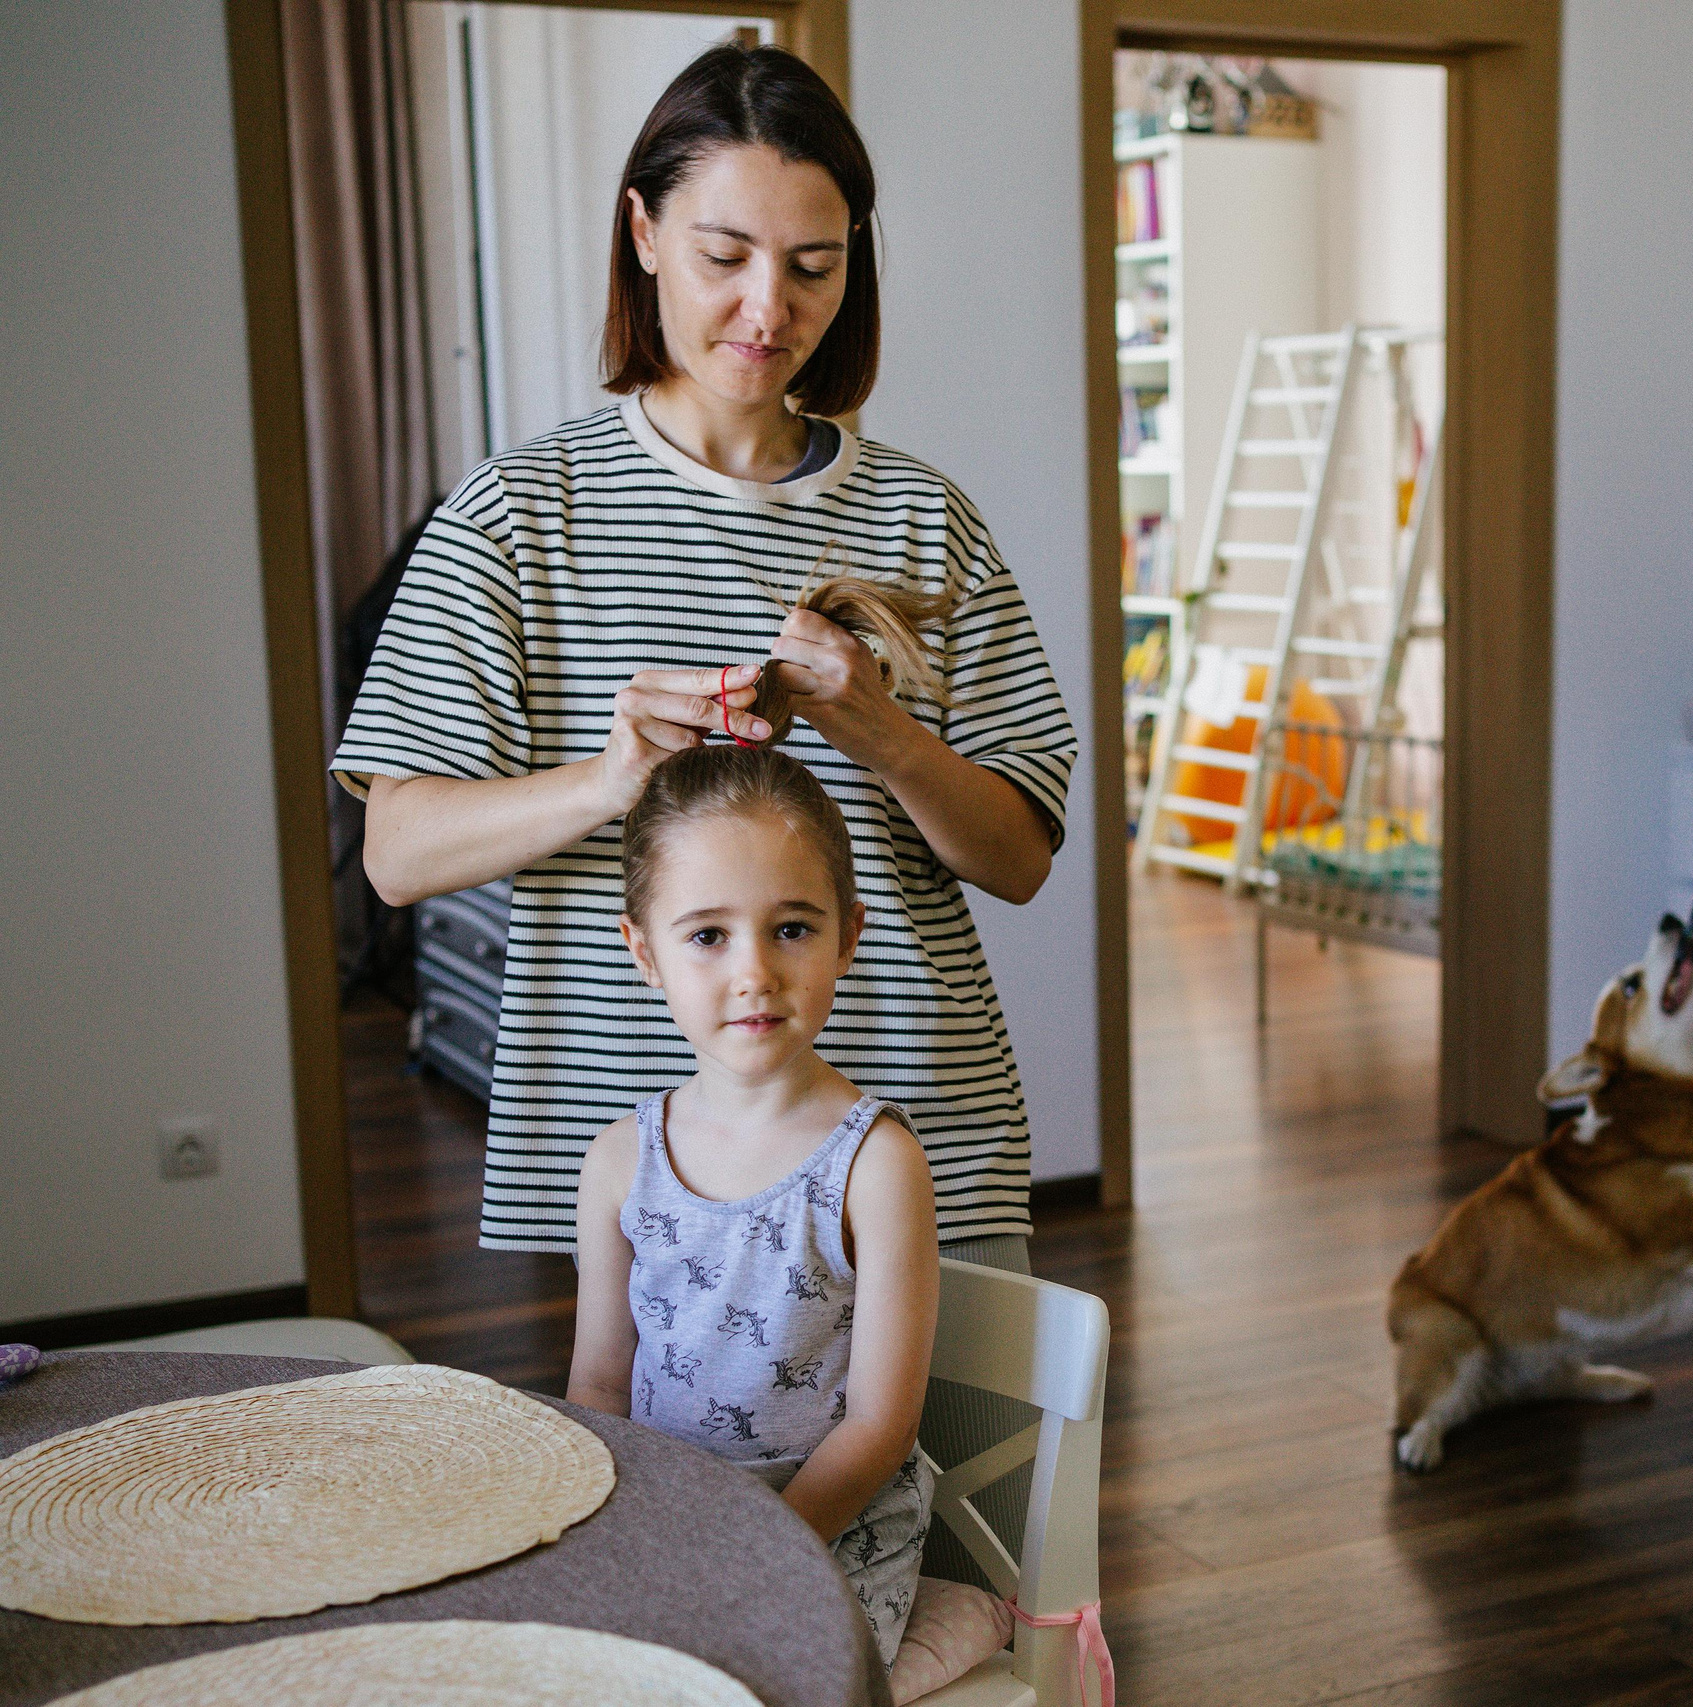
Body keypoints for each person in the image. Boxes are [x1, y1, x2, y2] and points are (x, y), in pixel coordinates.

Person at [332, 43, 1073, 1282]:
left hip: (914, 1132)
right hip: (640, 1161)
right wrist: (607, 778)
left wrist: (880, 733)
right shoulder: (517, 515)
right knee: (669, 1483)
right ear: (643, 232)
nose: (768, 310)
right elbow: (398, 857)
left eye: (814, 266)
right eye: (725, 257)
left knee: (943, 1481)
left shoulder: (921, 518)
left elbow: (1019, 860)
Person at [566, 744, 939, 1663]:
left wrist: (750, 1551)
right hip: (666, 1520)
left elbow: (880, 1427)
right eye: (708, 935)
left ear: (848, 935)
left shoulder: (878, 1164)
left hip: (829, 1531)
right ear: (644, 951)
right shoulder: (618, 1161)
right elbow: (599, 1387)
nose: (754, 973)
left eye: (792, 928)